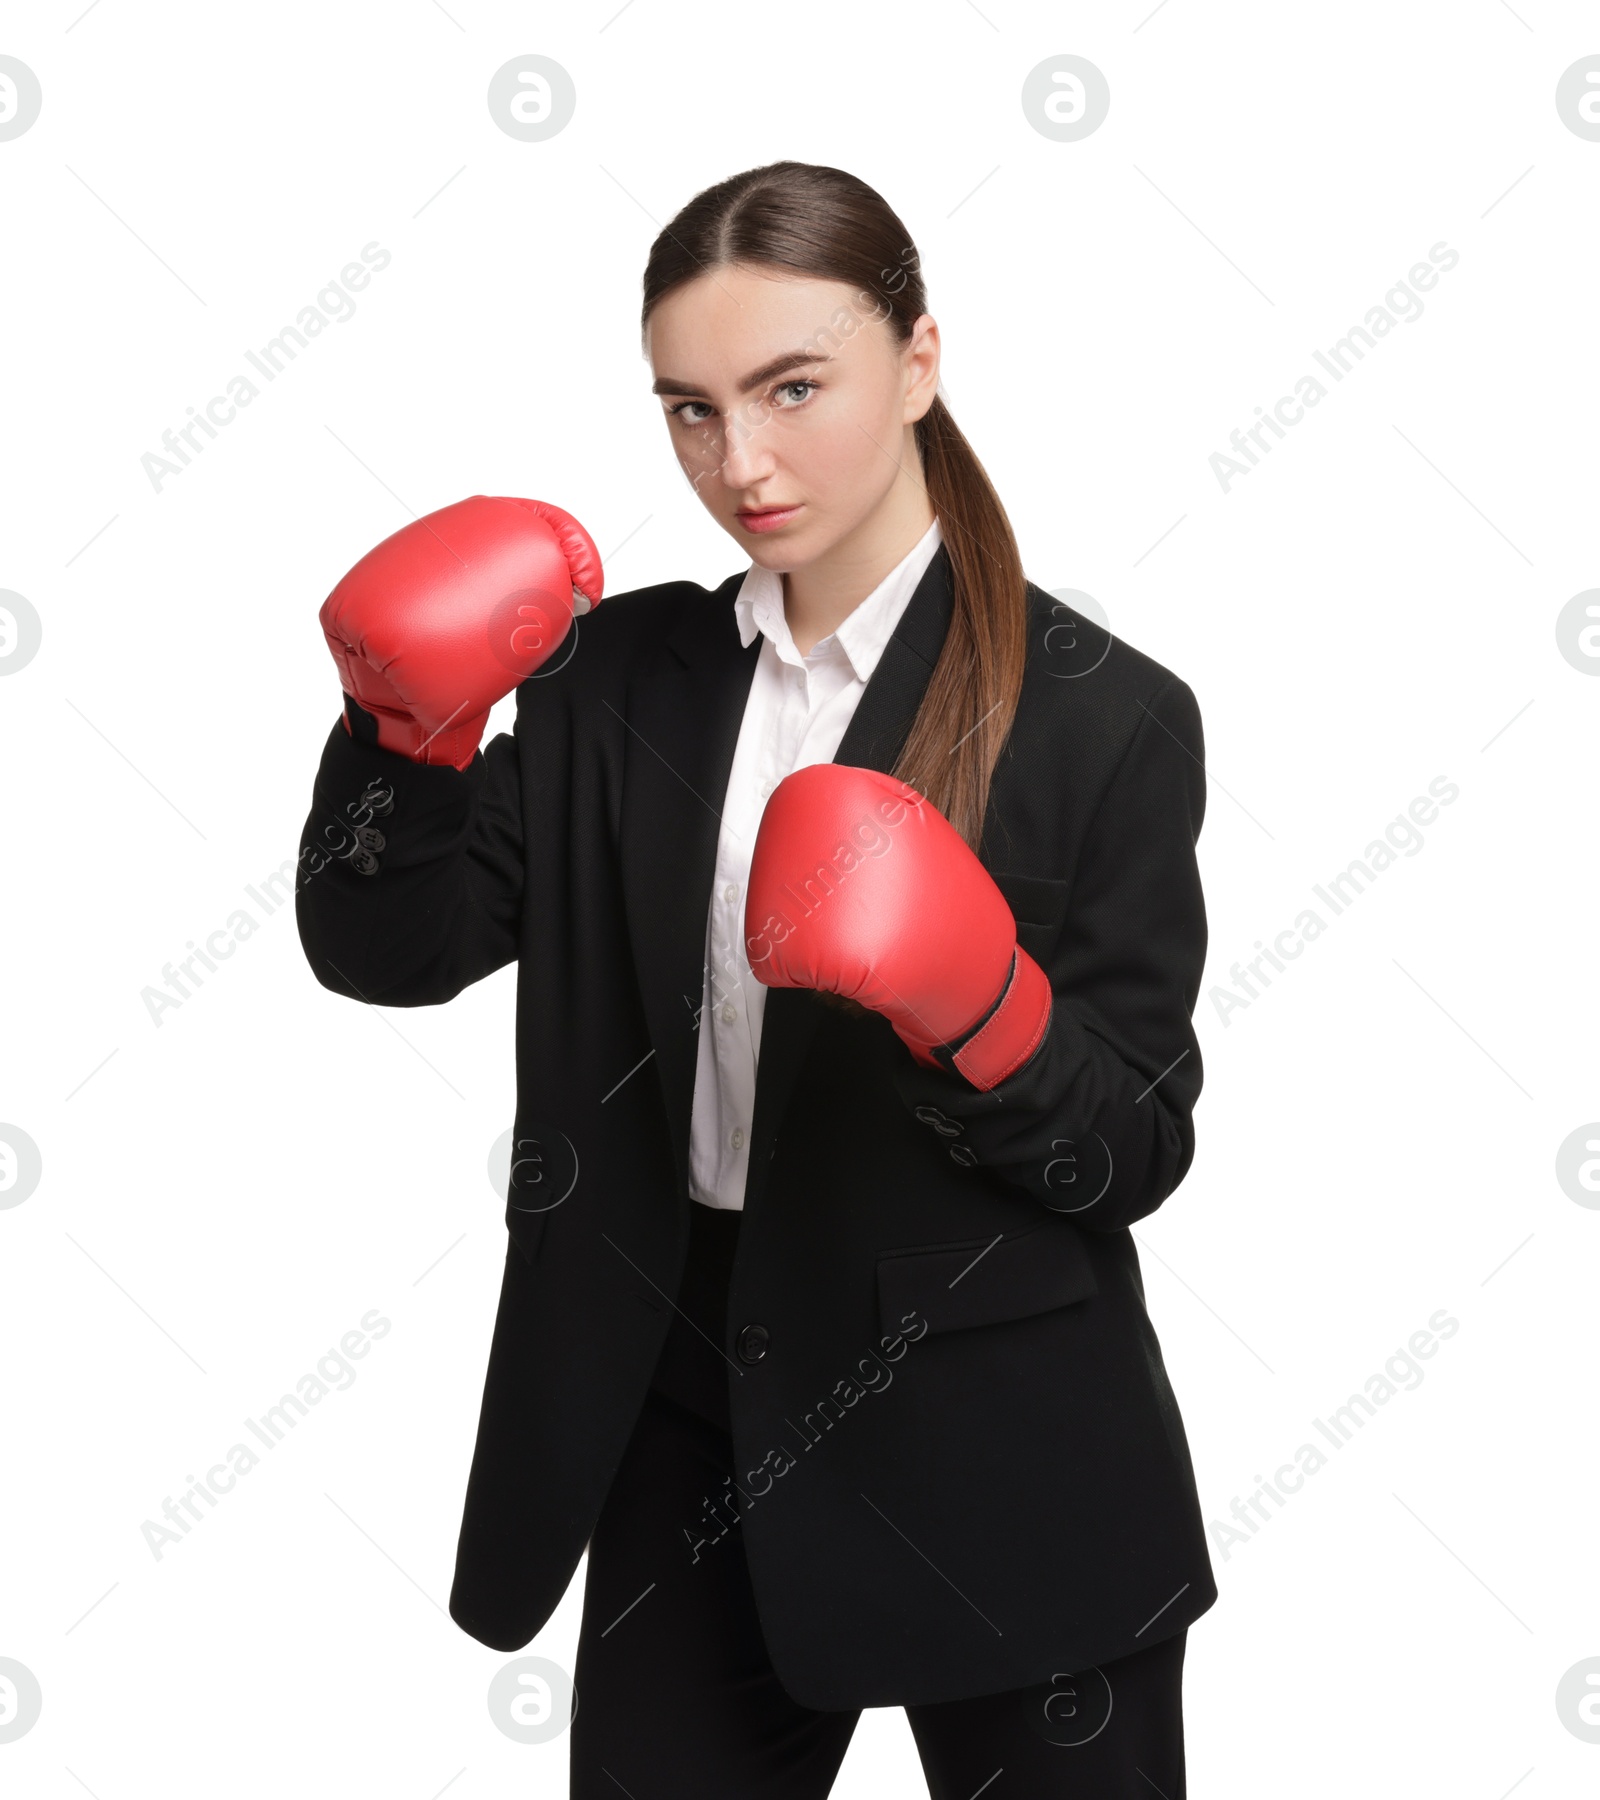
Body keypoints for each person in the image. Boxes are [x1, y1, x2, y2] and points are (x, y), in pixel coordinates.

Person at [295, 159, 1215, 1797]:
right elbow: (389, 951)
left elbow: (1127, 1153)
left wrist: (976, 1003)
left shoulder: (1102, 716)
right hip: (680, 1409)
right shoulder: (611, 679)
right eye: (692, 410)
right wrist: (403, 741)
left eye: (795, 387)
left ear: (919, 358)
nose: (745, 460)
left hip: (1004, 1437)